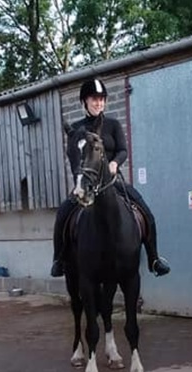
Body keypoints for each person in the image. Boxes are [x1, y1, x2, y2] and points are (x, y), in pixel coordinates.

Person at [50, 78, 170, 278]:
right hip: (87, 183)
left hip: (113, 182)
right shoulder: (77, 128)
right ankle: (59, 259)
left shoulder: (113, 124)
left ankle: (154, 258)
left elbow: (123, 150)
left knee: (146, 212)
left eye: (102, 99)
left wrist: (115, 163)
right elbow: (74, 156)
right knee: (63, 212)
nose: (99, 103)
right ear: (84, 101)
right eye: (94, 99)